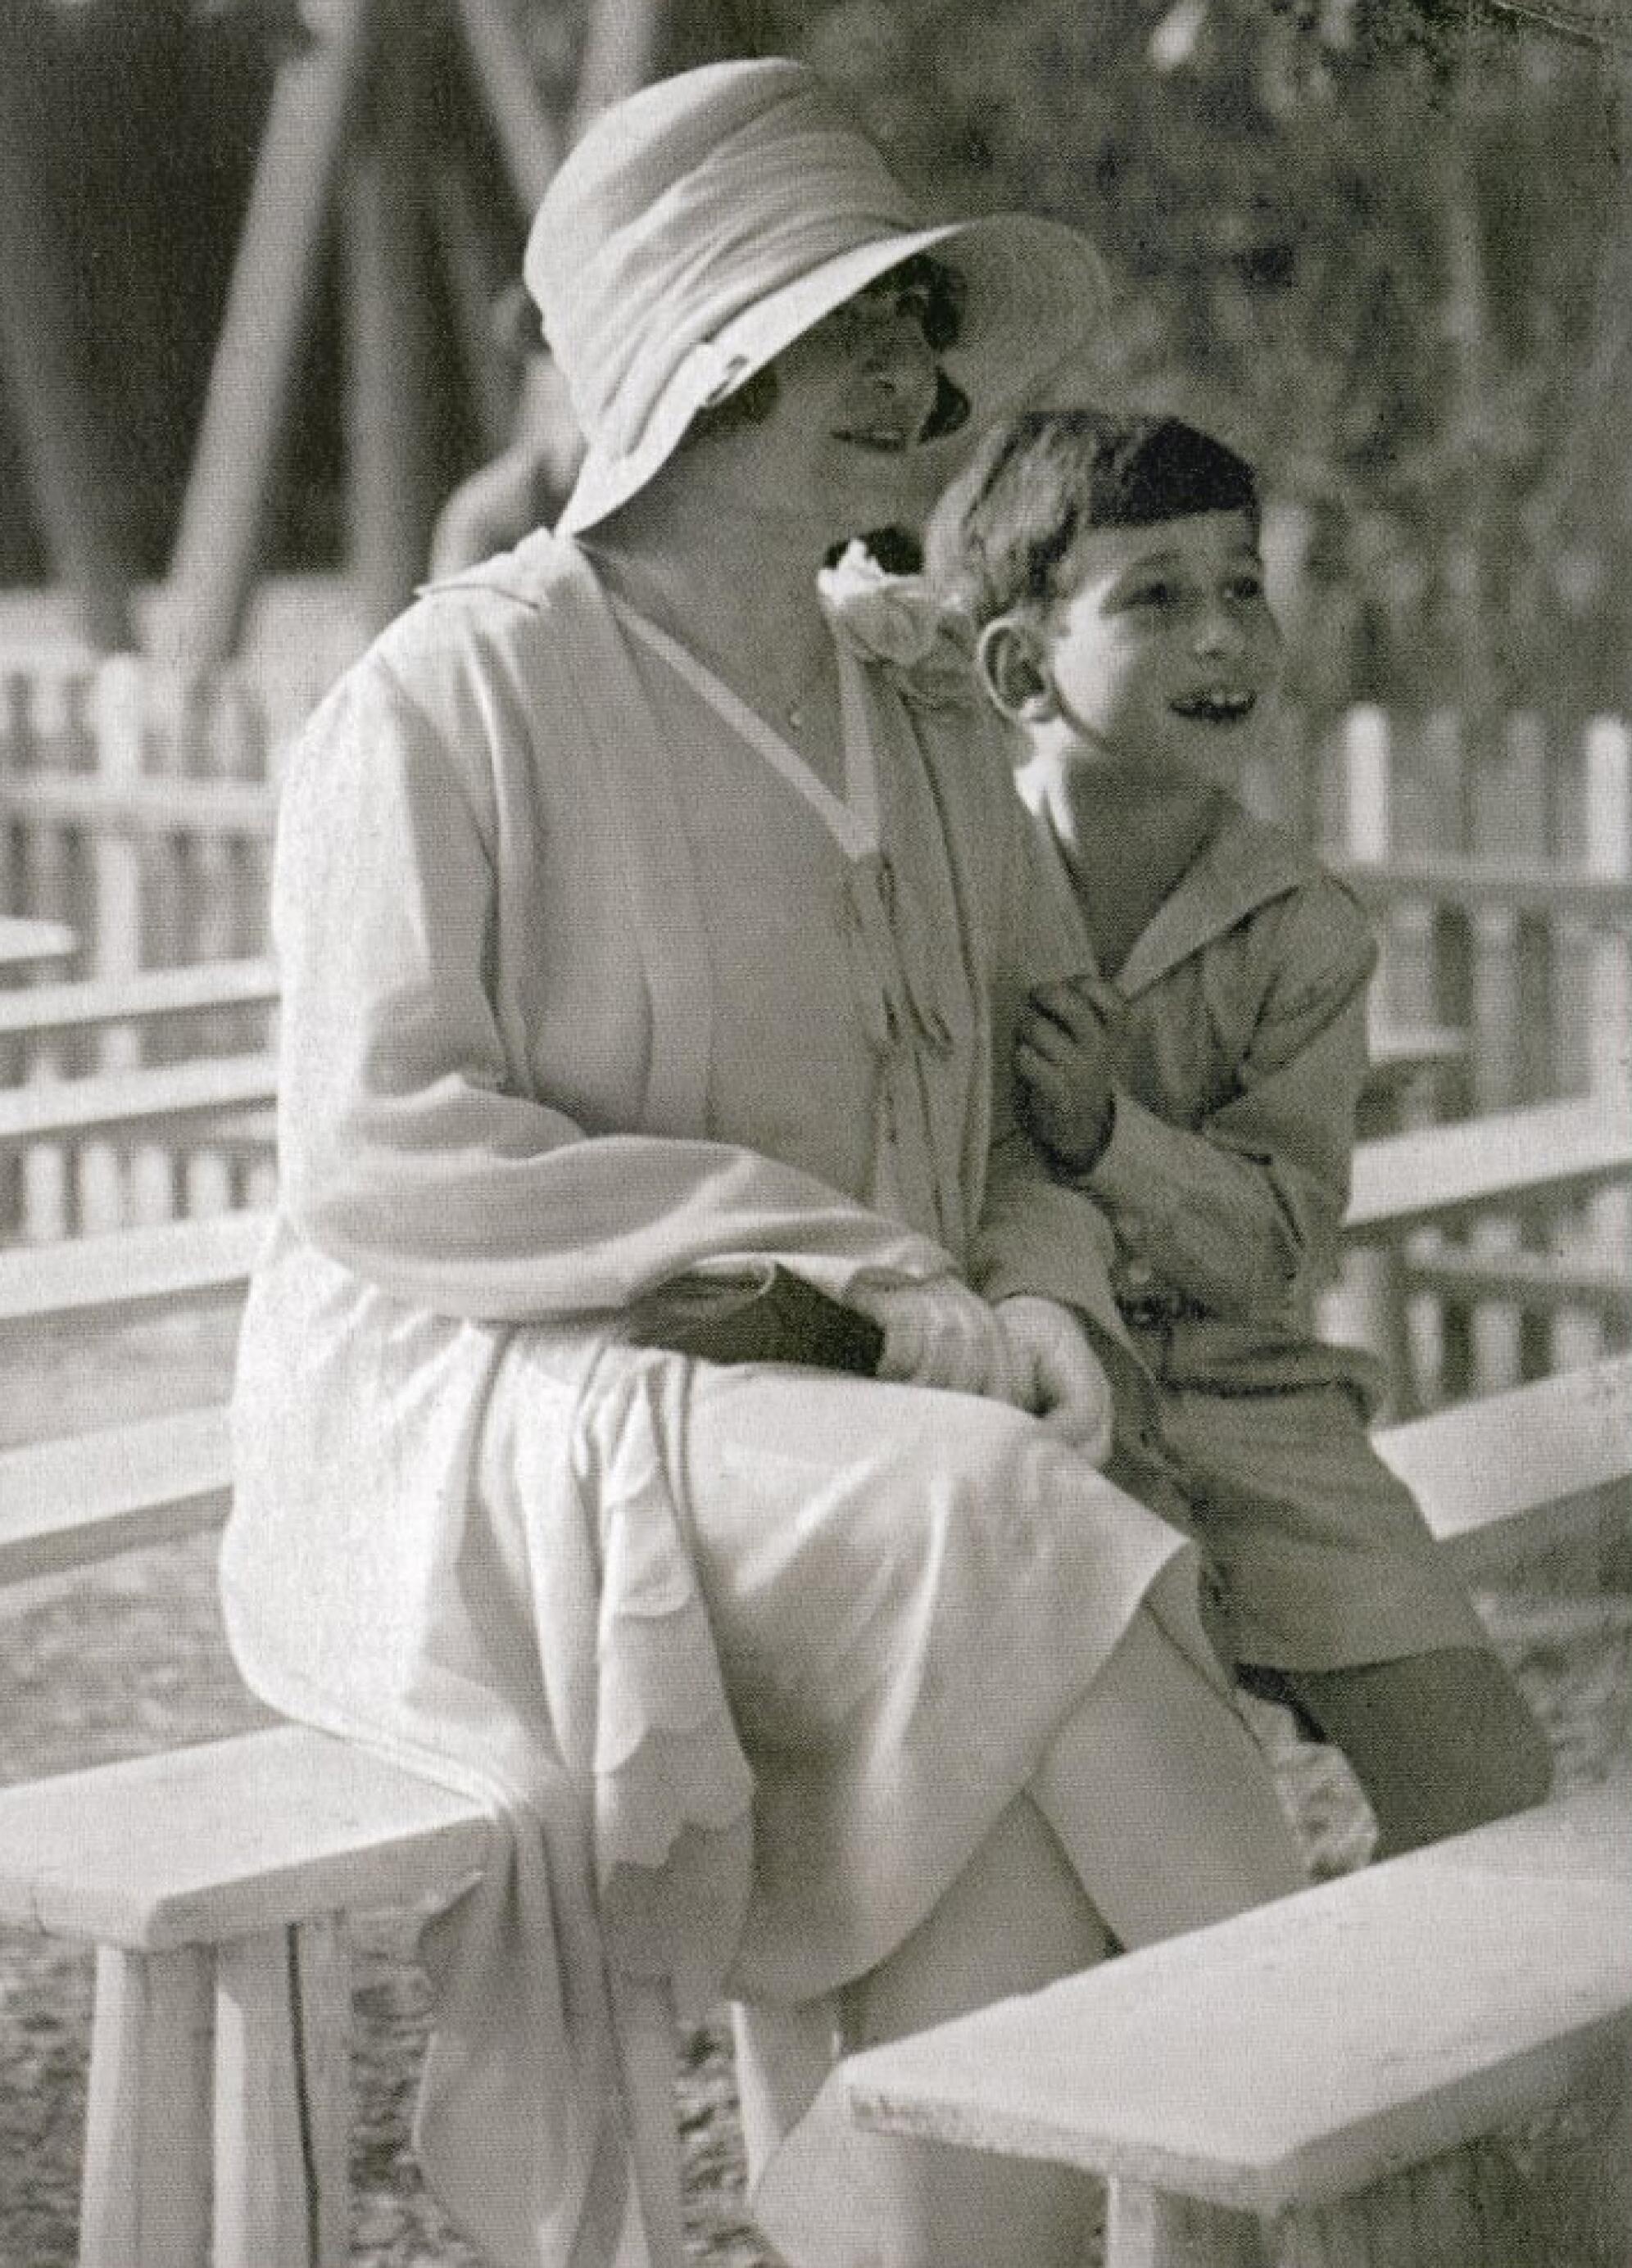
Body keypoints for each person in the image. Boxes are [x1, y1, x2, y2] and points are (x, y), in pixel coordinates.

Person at [222, 69, 1308, 2268]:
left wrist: (1034, 1299)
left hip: (847, 1416)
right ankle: (1379, 2135)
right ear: (696, 369)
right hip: (497, 1406)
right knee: (1026, 1526)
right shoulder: (460, 696)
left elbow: (1020, 1099)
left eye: (919, 325)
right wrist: (887, 1286)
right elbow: (377, 1149)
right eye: (846, 338)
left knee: (986, 1818)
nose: (914, 384)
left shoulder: (915, 707)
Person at [926, 405, 1553, 1866]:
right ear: (1020, 668)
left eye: (1242, 587)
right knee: (1164, 1847)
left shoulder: (1306, 932)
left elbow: (1277, 1248)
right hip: (1033, 1410)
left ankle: (1392, 2061)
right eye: (1157, 598)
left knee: (1488, 1778)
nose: (1223, 638)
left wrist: (1111, 1139)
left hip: (1256, 1405)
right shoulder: (953, 893)